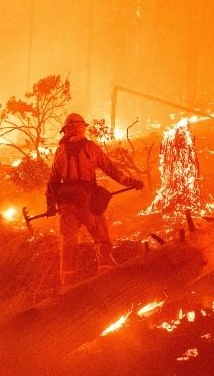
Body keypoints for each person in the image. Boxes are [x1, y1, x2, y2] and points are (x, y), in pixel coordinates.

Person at [45, 113, 144, 290]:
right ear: (75, 129)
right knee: (101, 239)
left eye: (78, 127)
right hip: (87, 203)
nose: (77, 130)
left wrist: (51, 204)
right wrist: (130, 181)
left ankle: (67, 289)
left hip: (68, 204)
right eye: (76, 127)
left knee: (68, 245)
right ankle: (107, 279)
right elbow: (110, 169)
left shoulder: (61, 151)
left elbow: (52, 181)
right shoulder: (90, 148)